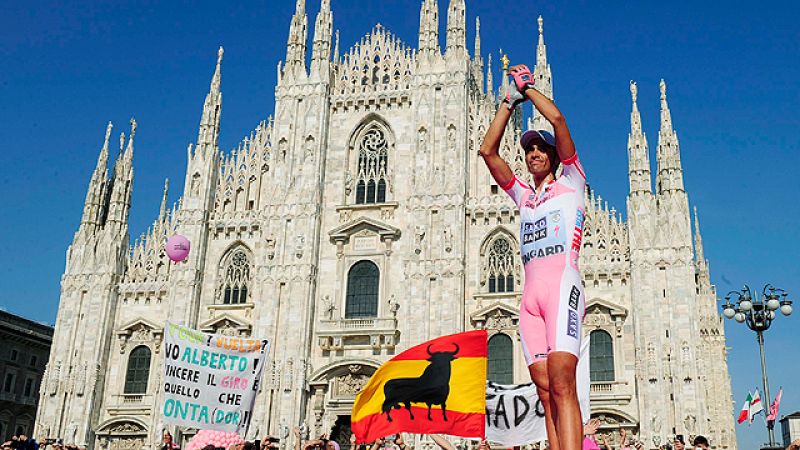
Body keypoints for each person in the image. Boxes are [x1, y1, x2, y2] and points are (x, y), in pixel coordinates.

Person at [480, 62, 586, 450]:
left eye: (542, 148)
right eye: (530, 149)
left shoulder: (573, 182)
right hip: (530, 300)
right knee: (544, 392)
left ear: (556, 156)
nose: (535, 153)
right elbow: (488, 152)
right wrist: (508, 102)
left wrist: (530, 88)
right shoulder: (524, 196)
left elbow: (557, 119)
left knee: (562, 383)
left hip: (561, 288)